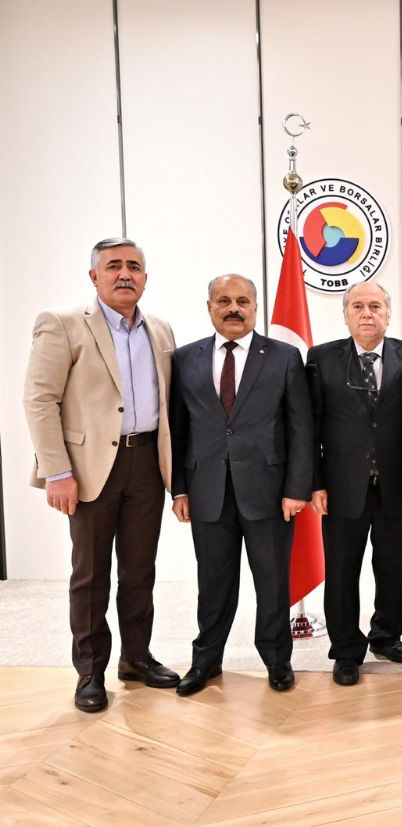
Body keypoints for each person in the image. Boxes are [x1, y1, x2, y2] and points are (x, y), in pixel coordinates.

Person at [23, 238, 181, 712]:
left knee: (139, 570)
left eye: (134, 266)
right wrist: (56, 471)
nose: (124, 274)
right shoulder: (63, 324)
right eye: (113, 266)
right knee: (90, 574)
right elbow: (39, 399)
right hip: (89, 468)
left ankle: (136, 658)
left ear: (145, 277)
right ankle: (90, 671)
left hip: (146, 464)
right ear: (94, 276)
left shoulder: (161, 329)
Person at [169, 275, 313, 696]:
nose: (234, 309)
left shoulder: (284, 356)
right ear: (209, 306)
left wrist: (296, 488)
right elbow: (178, 430)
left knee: (272, 582)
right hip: (207, 491)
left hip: (269, 492)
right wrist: (179, 488)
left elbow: (300, 428)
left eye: (243, 301)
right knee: (213, 584)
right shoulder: (185, 358)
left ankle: (277, 660)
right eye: (224, 301)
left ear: (255, 307)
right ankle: (206, 661)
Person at [307, 282, 402, 687]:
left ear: (388, 314)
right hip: (341, 487)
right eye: (357, 306)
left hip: (396, 484)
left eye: (375, 306)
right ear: (346, 315)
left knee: (392, 567)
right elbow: (310, 426)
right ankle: (345, 649)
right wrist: (315, 483)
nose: (367, 313)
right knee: (342, 570)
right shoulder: (321, 358)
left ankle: (387, 636)